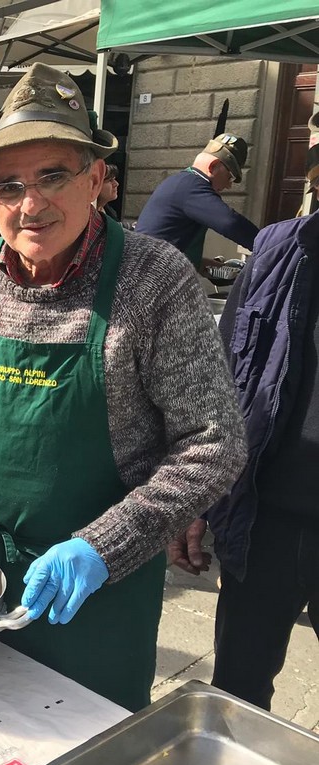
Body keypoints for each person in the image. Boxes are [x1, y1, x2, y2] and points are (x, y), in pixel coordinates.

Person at [0, 64, 247, 712]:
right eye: (8, 185)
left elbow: (215, 441)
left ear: (97, 178)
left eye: (52, 175)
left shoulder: (154, 281)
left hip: (95, 603)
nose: (31, 204)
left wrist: (101, 546)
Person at [196, 111, 319, 711]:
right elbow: (224, 385)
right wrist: (200, 500)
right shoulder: (279, 251)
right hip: (262, 518)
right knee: (238, 693)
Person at [136, 133, 259, 268]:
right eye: (230, 177)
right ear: (213, 166)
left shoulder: (180, 182)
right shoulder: (193, 187)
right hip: (151, 275)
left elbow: (170, 237)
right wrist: (272, 244)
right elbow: (230, 223)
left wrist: (202, 265)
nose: (229, 185)